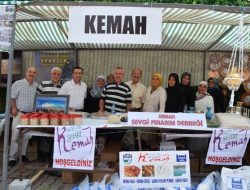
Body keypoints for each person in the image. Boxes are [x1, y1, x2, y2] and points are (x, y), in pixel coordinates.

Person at [9, 67, 38, 167]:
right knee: (15, 135)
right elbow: (12, 97)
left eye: (34, 72)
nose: (32, 74)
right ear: (26, 73)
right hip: (19, 113)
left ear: (35, 74)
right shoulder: (18, 83)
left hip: (29, 115)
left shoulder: (36, 85)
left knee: (26, 135)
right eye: (30, 72)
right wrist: (13, 108)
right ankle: (12, 157)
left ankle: (22, 154)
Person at [36, 67, 62, 162]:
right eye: (54, 73)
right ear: (51, 74)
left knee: (53, 135)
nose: (56, 76)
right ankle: (41, 156)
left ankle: (51, 155)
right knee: (42, 134)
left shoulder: (62, 86)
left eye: (58, 74)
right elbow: (37, 97)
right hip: (43, 114)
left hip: (56, 116)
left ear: (60, 75)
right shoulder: (43, 84)